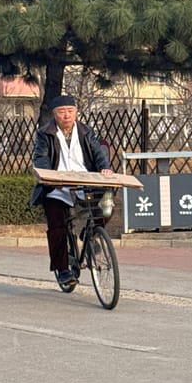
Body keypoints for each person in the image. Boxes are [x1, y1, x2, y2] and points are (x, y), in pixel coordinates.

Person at [31, 94, 113, 287]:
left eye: (70, 111)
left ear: (76, 112)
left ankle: (91, 233)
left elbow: (98, 151)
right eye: (61, 112)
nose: (66, 116)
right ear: (54, 114)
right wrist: (50, 177)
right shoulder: (46, 133)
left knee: (107, 202)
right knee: (57, 225)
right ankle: (63, 269)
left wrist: (104, 167)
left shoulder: (86, 131)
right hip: (57, 185)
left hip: (84, 180)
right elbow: (41, 157)